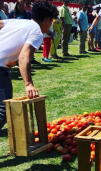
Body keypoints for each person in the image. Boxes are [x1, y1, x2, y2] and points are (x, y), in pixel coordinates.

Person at [0, 1, 58, 131]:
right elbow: (24, 56)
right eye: (51, 22)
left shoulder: (17, 21)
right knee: (2, 112)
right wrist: (28, 84)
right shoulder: (37, 32)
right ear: (47, 19)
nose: (50, 26)